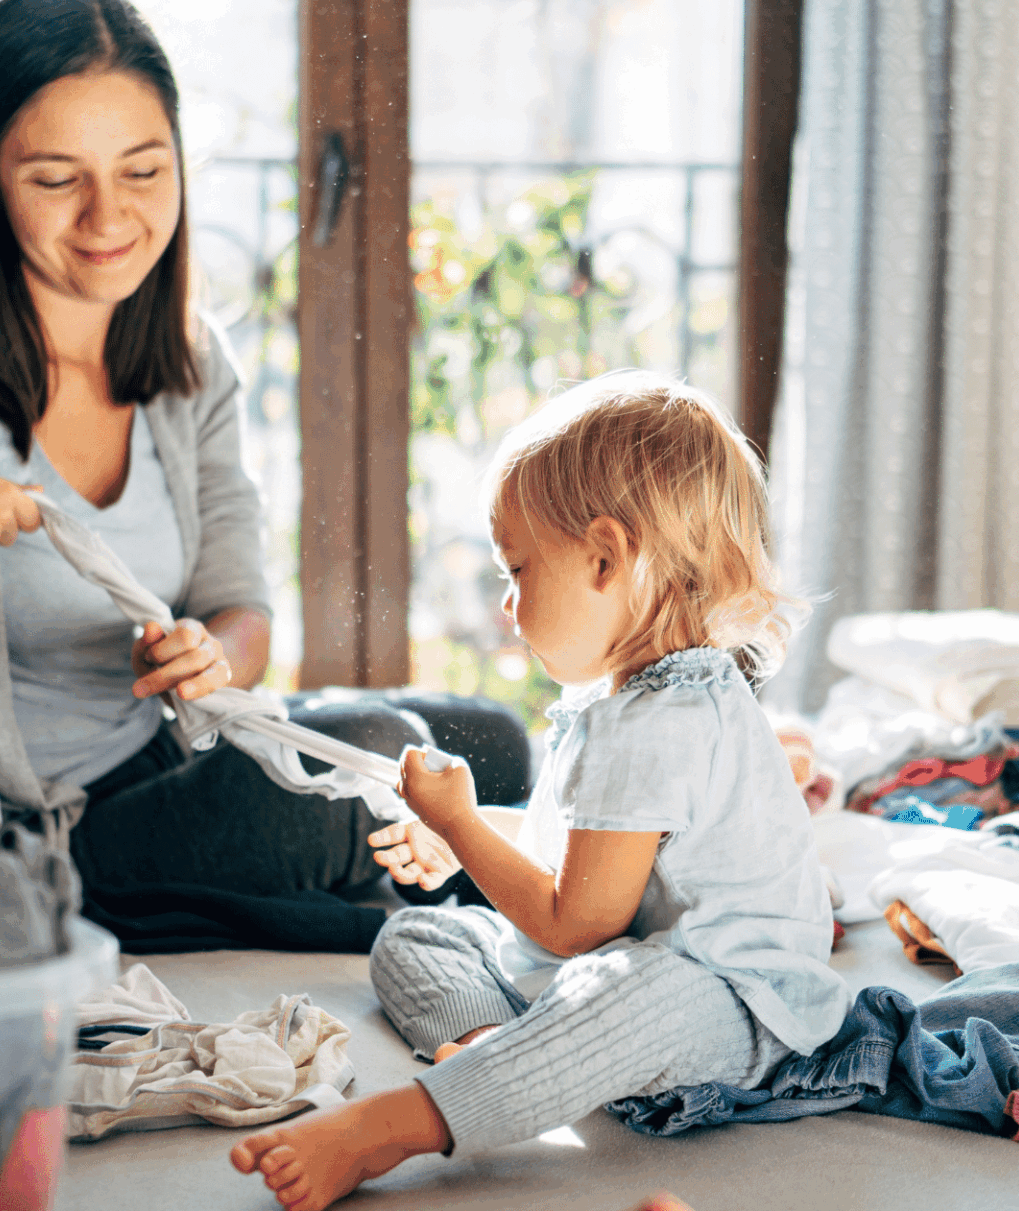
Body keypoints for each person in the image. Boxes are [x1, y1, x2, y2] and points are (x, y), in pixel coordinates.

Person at [0, 0, 522, 914]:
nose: (108, 219)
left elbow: (241, 610)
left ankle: (439, 892)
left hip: (167, 760)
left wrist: (210, 656)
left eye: (143, 171)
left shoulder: (187, 354)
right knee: (380, 759)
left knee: (483, 743)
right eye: (57, 180)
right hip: (19, 833)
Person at [230, 373, 845, 1209]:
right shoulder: (625, 700)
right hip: (610, 955)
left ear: (606, 557)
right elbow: (585, 853)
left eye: (518, 570)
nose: (510, 607)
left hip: (734, 1005)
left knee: (635, 993)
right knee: (417, 936)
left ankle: (390, 1128)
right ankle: (499, 1061)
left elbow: (576, 920)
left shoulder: (657, 719)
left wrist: (458, 823)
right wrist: (466, 832)